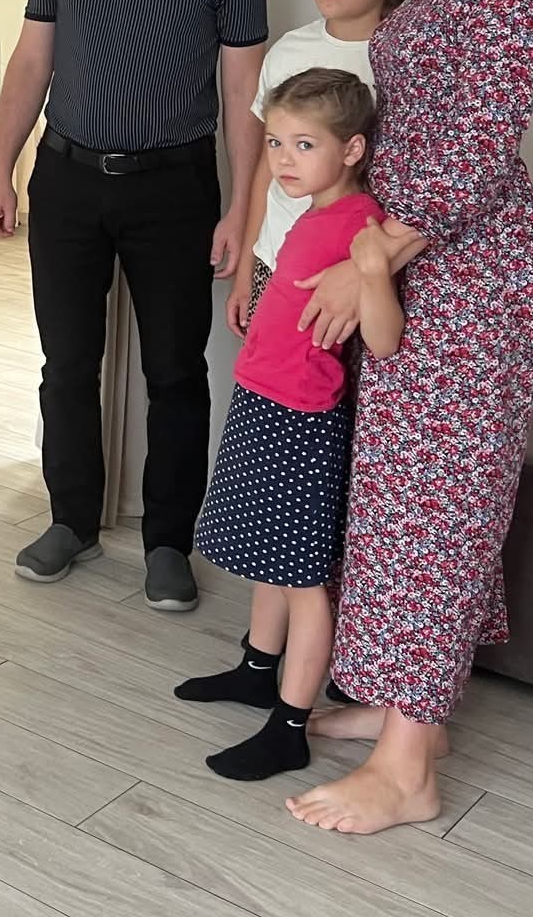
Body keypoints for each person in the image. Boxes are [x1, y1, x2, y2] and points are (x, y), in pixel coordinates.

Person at [286, 0, 533, 834]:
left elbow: (475, 148)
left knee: (439, 506)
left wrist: (370, 257)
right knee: (392, 499)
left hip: (467, 278)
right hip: (404, 262)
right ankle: (399, 708)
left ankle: (409, 770)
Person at [0, 0, 268, 610]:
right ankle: (70, 519)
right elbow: (32, 60)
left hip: (174, 187)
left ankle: (169, 541)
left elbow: (244, 91)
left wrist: (243, 211)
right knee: (66, 363)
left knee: (176, 372)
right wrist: (0, 168)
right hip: (67, 178)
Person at [177, 68, 403, 781]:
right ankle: (256, 669)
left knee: (302, 579)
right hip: (262, 398)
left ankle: (291, 725)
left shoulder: (362, 226)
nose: (283, 159)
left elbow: (384, 338)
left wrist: (373, 274)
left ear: (352, 149)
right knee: (269, 560)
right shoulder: (312, 212)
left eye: (305, 145)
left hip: (301, 419)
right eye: (276, 142)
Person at [226, 0, 422, 339]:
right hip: (277, 261)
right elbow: (267, 168)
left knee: (335, 383)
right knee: (268, 376)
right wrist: (249, 267)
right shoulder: (288, 51)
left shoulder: (409, 57)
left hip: (358, 272)